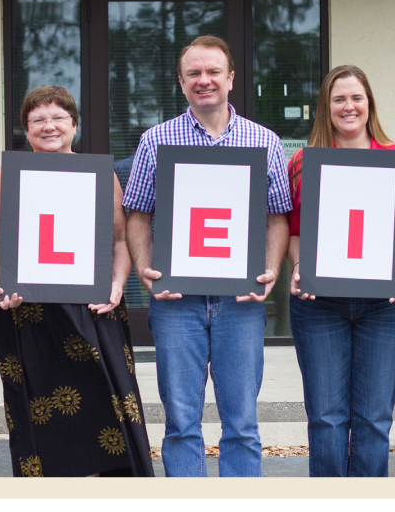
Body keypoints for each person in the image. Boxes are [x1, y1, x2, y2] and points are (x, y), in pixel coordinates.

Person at [123, 35, 292, 477]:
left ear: (231, 78)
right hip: (177, 303)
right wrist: (144, 269)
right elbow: (137, 214)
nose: (205, 80)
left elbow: (277, 217)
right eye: (194, 73)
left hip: (241, 303)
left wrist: (271, 269)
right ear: (181, 83)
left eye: (213, 71)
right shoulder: (156, 140)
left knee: (242, 424)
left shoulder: (265, 141)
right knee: (180, 424)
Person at [0, 85, 154, 477]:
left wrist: (116, 286)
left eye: (58, 117)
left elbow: (121, 240)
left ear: (74, 124)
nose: (49, 126)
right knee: (41, 412)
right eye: (38, 119)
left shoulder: (98, 172)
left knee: (104, 403)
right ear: (26, 129)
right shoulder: (9, 172)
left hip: (91, 308)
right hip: (26, 313)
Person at [286, 65, 395, 477]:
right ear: (326, 108)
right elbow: (293, 231)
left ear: (370, 104)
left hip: (386, 306)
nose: (349, 107)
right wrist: (298, 267)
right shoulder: (303, 164)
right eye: (339, 99)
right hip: (319, 306)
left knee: (374, 420)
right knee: (326, 419)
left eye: (356, 98)